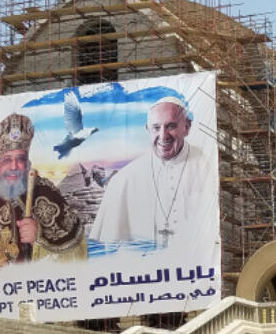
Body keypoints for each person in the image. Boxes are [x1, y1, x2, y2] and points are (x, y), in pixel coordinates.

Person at [0, 113, 85, 270]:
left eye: (20, 159)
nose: (14, 166)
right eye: (7, 159)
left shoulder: (46, 192)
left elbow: (78, 254)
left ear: (28, 162)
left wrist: (39, 238)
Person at [88, 97, 214, 248]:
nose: (163, 135)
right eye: (156, 127)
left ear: (186, 127)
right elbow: (111, 251)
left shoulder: (208, 166)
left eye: (171, 126)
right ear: (147, 129)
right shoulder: (124, 180)